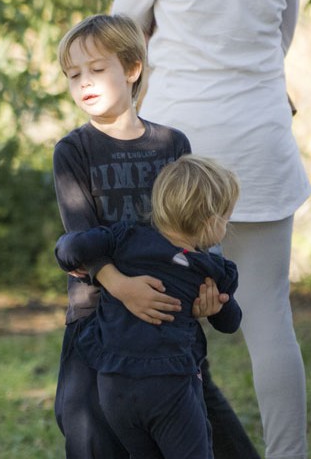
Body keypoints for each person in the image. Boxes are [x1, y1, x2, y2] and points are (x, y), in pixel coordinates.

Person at [111, 0, 311, 457]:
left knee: (164, 314)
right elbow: (278, 45)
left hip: (178, 154)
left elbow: (120, 42)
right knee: (269, 319)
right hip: (261, 146)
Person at [52, 13, 257, 458]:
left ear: (132, 69)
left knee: (199, 437)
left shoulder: (171, 145)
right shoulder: (73, 150)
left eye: (96, 68)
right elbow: (81, 236)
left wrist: (206, 291)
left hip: (168, 323)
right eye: (73, 74)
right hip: (98, 315)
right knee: (91, 436)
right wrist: (122, 288)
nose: (83, 81)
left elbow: (199, 226)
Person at [55, 155, 243, 459]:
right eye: (227, 218)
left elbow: (67, 248)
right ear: (211, 223)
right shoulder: (212, 269)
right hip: (171, 388)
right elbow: (231, 322)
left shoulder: (124, 238)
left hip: (114, 386)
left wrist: (84, 264)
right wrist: (216, 306)